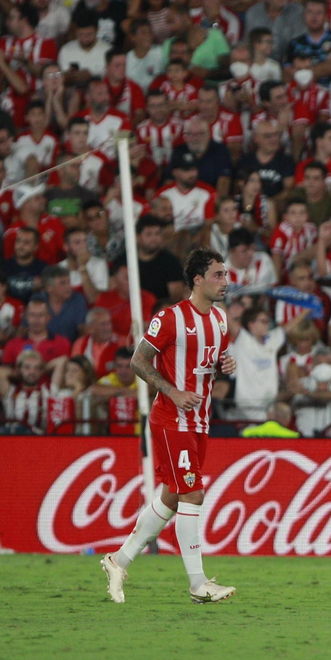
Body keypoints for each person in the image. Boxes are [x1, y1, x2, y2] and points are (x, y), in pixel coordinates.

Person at [100, 248, 238, 606]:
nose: (225, 281)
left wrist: (225, 365)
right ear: (198, 280)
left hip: (199, 420)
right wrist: (172, 391)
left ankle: (118, 562)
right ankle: (198, 584)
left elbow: (210, 362)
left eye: (225, 274)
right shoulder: (170, 318)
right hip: (171, 420)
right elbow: (138, 361)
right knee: (193, 494)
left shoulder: (220, 319)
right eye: (218, 274)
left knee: (173, 497)